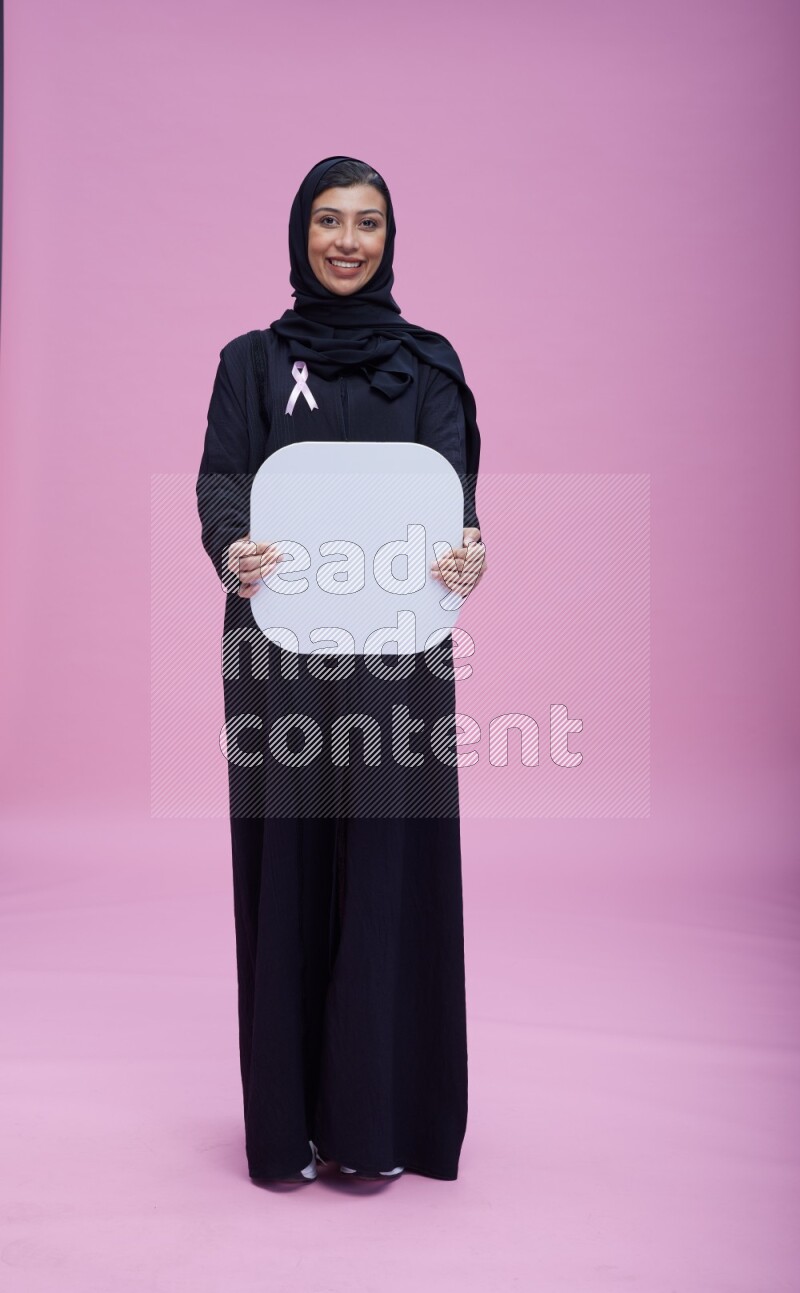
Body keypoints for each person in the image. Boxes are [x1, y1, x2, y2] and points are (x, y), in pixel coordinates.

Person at [196, 155, 487, 1184]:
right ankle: (289, 1128)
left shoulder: (432, 365)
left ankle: (379, 1126)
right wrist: (229, 546)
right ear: (298, 234)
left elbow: (455, 510)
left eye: (366, 223)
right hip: (276, 658)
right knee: (290, 869)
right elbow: (223, 484)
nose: (347, 242)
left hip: (399, 663)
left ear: (390, 238)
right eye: (328, 221)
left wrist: (467, 553)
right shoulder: (248, 363)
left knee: (387, 873)